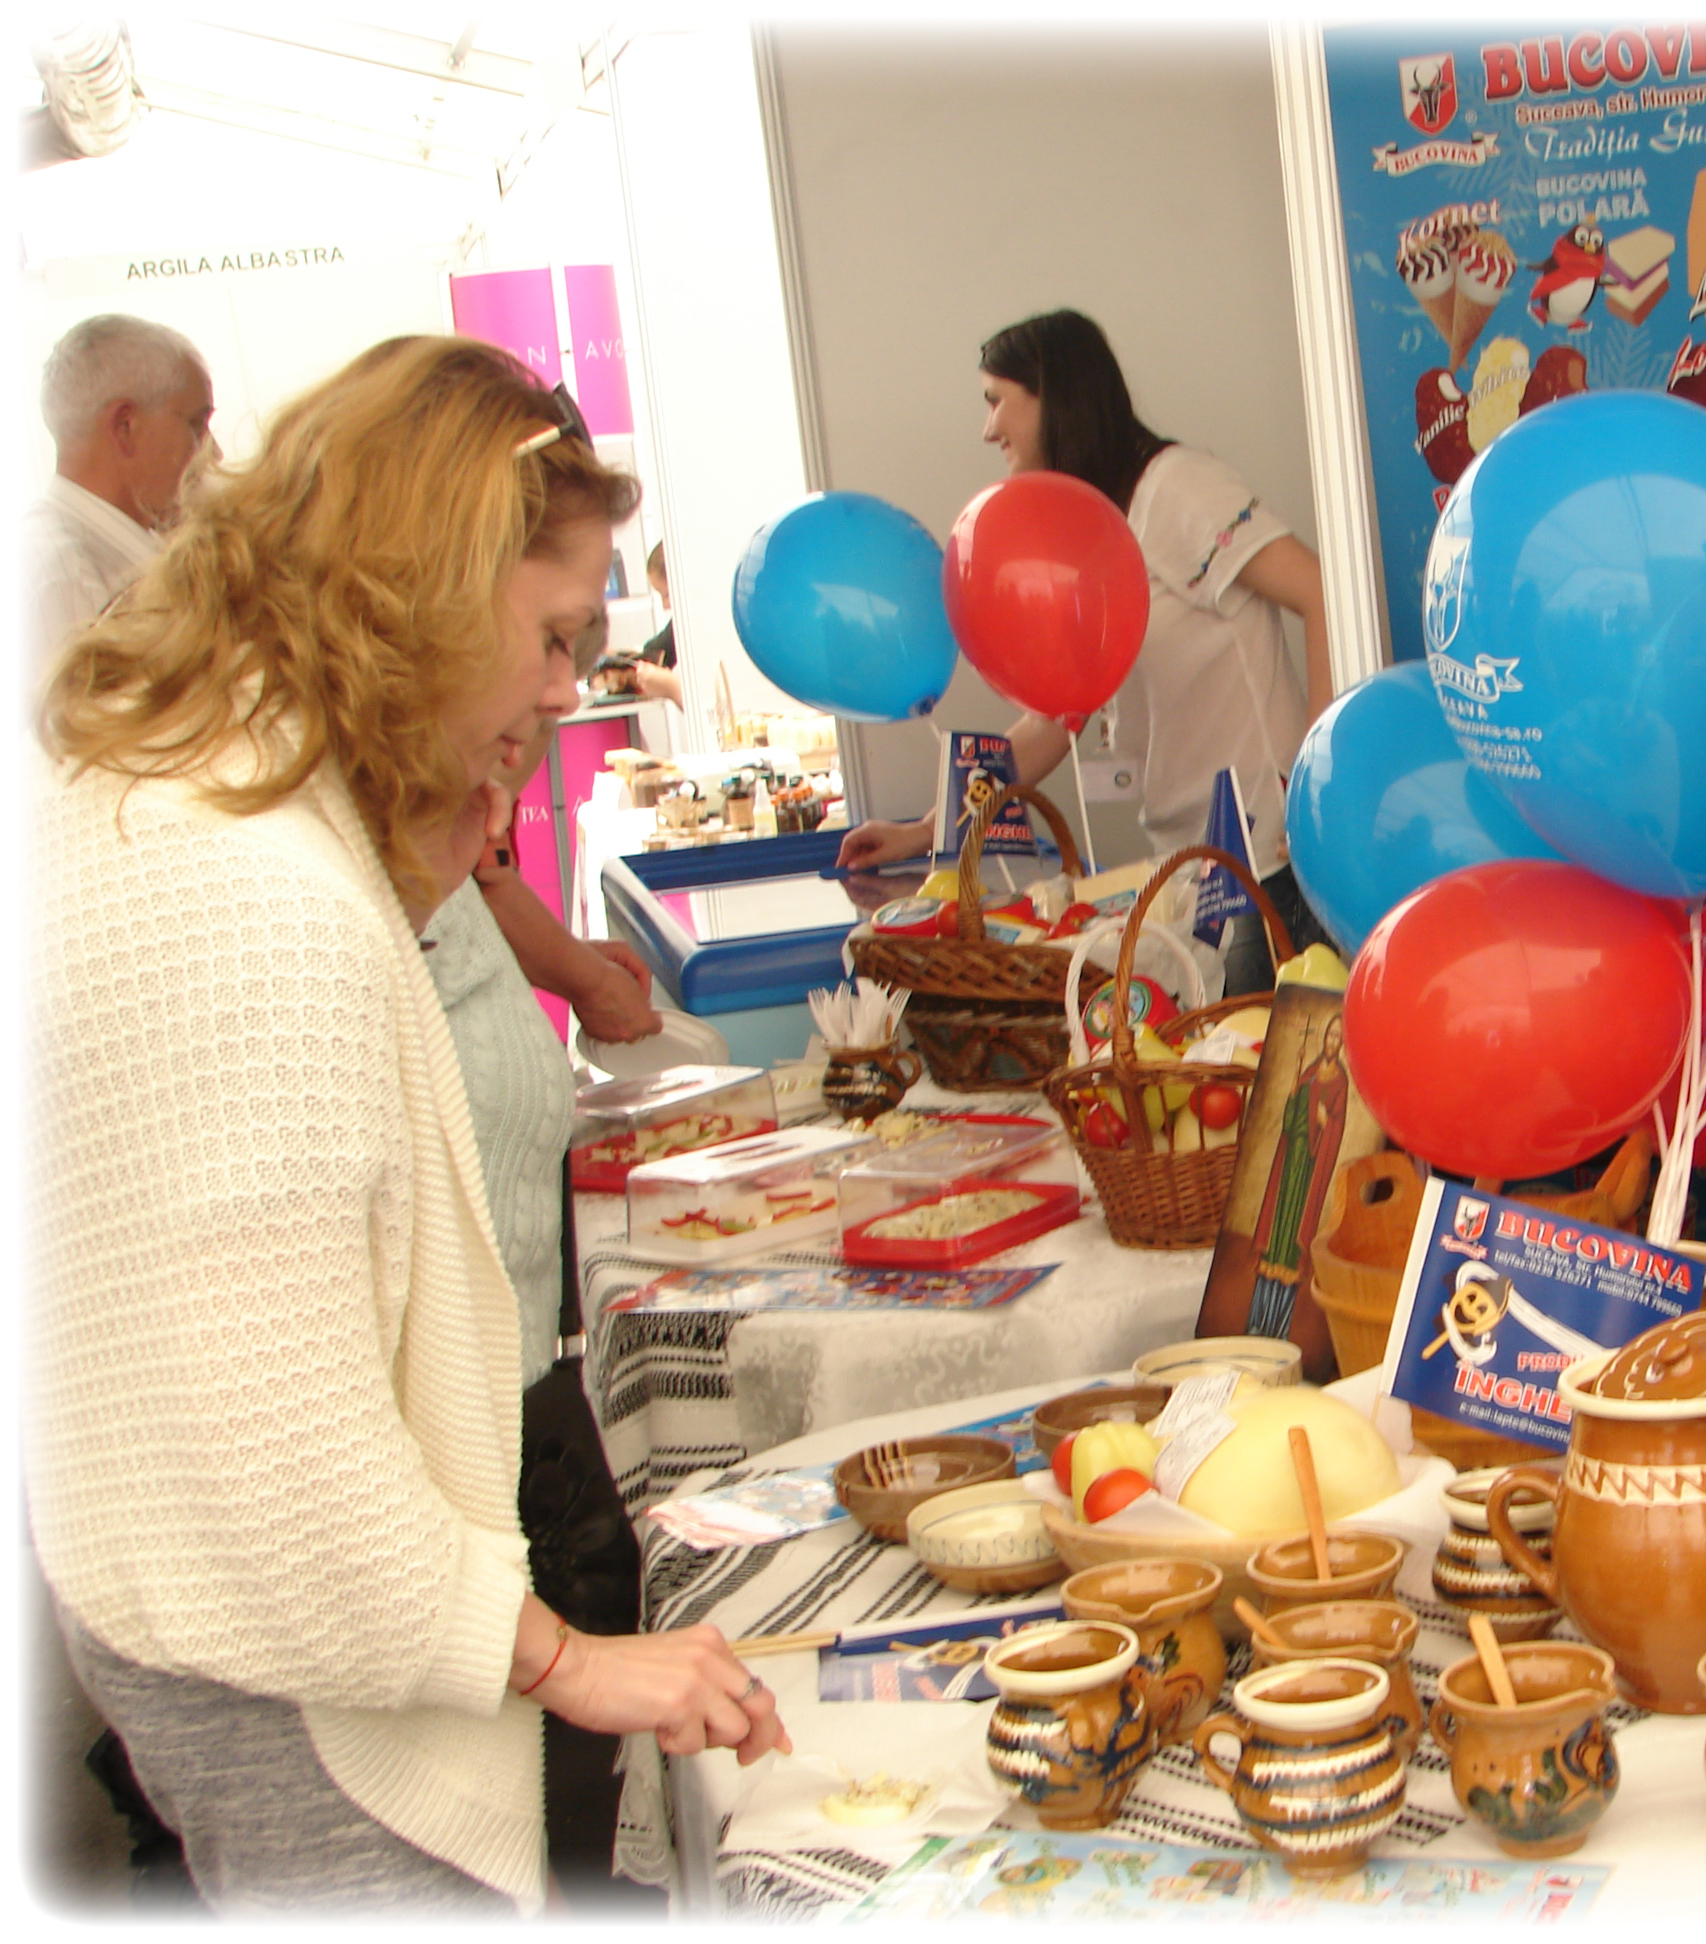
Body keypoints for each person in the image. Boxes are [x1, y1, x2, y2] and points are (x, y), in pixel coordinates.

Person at [32, 336, 790, 1917]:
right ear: (430, 590)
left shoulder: (215, 798)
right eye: (553, 636)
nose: (565, 691)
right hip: (311, 1706)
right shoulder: (249, 890)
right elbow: (288, 1463)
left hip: (223, 1645)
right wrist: (572, 1662)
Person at [835, 309, 1334, 991]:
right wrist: (928, 829)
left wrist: (1316, 790)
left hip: (1264, 864)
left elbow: (1318, 591)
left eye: (996, 401)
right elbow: (1054, 719)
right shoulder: (1094, 525)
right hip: (1187, 871)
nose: (988, 429)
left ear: (1054, 397)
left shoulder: (1176, 486)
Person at [23, 313, 218, 668]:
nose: (213, 453)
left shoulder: (100, 553)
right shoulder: (65, 576)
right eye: (196, 425)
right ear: (125, 426)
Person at [594, 538, 684, 706]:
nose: (665, 606)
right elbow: (654, 651)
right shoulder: (679, 628)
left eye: (667, 595)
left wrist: (671, 689)